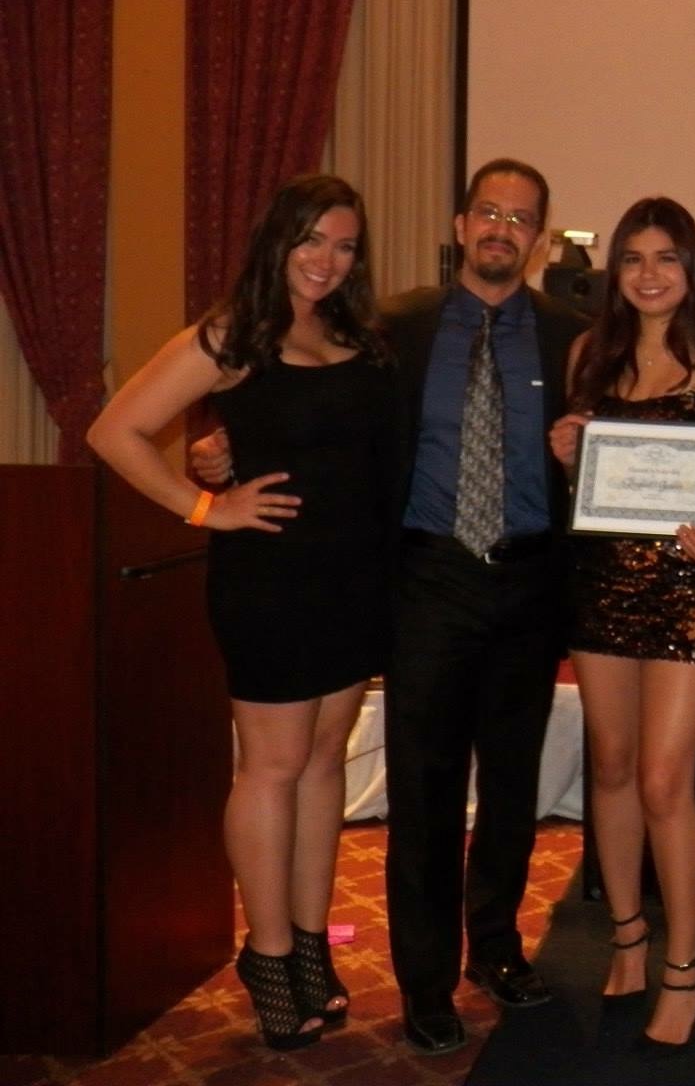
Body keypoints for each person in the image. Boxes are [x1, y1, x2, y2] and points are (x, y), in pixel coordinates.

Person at [201, 158, 589, 1053]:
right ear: (460, 225)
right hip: (426, 578)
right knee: (424, 789)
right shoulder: (391, 327)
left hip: (531, 578)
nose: (501, 229)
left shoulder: (573, 336)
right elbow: (310, 413)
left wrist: (585, 444)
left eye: (520, 218)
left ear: (539, 239)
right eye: (488, 211)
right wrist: (219, 451)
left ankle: (497, 949)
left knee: (512, 786)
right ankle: (424, 980)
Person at [88, 174, 395, 1051]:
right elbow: (114, 431)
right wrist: (203, 506)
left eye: (343, 245)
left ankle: (309, 941)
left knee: (323, 763)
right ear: (277, 240)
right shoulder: (233, 331)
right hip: (271, 580)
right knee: (272, 767)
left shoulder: (351, 334)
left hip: (350, 580)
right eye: (311, 240)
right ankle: (267, 954)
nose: (326, 260)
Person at [546, 197, 695, 1052]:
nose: (650, 274)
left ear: (691, 268)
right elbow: (587, 485)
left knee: (666, 779)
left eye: (667, 258)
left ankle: (686, 967)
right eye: (633, 258)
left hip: (690, 583)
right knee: (613, 765)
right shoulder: (589, 353)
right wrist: (566, 455)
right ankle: (627, 937)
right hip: (601, 579)